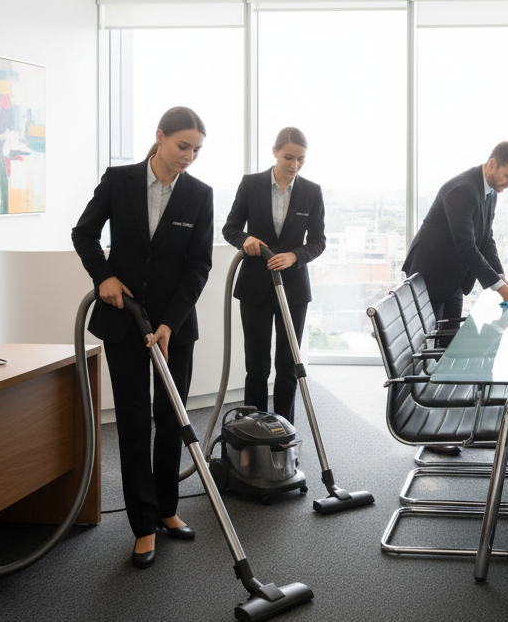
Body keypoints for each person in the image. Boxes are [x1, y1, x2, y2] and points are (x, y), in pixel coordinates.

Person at [72, 107, 213, 570]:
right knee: (133, 422)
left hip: (175, 327)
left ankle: (168, 509)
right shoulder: (120, 181)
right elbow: (84, 233)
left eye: (196, 149)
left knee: (171, 418)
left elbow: (198, 267)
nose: (189, 156)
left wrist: (171, 321)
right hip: (124, 321)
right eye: (182, 146)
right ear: (159, 137)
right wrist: (105, 277)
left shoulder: (199, 195)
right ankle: (143, 525)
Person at [222, 126, 326, 424]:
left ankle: (284, 433)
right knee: (257, 365)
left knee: (288, 364)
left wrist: (295, 255)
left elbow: (318, 241)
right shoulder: (251, 184)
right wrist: (245, 240)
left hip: (293, 290)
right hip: (254, 286)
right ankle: (252, 433)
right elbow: (230, 228)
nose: (294, 165)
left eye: (301, 159)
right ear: (275, 152)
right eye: (289, 157)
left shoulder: (312, 191)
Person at [403, 141, 508, 324]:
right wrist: (502, 290)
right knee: (429, 342)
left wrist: (500, 276)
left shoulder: (491, 191)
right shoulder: (462, 190)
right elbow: (466, 246)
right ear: (492, 164)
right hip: (430, 278)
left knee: (451, 341)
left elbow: (486, 237)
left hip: (454, 279)